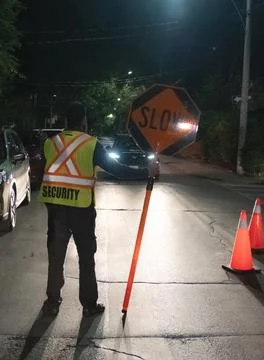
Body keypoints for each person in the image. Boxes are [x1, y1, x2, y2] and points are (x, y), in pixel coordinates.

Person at [39, 102, 155, 317]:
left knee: (56, 257)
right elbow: (117, 170)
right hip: (82, 210)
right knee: (86, 258)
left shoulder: (50, 143)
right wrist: (145, 172)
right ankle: (89, 306)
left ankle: (52, 302)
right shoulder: (91, 144)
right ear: (84, 120)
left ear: (65, 120)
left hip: (56, 210)